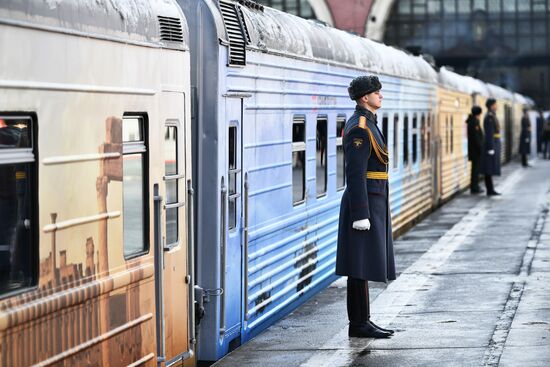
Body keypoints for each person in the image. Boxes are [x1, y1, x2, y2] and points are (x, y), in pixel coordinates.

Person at [336, 75, 396, 339]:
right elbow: (355, 171)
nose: (380, 95)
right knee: (358, 266)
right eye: (377, 92)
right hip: (365, 204)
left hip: (375, 200)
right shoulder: (360, 127)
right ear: (365, 98)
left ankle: (363, 321)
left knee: (361, 264)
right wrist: (361, 213)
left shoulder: (369, 122)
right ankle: (358, 323)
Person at [480, 98, 501, 196]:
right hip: (491, 144)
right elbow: (489, 133)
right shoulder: (489, 117)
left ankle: (491, 189)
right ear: (491, 105)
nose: (496, 106)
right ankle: (490, 190)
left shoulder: (492, 115)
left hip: (493, 143)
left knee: (490, 168)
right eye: (495, 105)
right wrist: (491, 148)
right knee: (488, 169)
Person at [466, 106, 484, 193]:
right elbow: (476, 137)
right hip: (475, 150)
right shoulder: (474, 123)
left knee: (475, 169)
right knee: (475, 169)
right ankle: (474, 187)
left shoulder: (471, 121)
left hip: (473, 150)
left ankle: (475, 186)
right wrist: (481, 148)